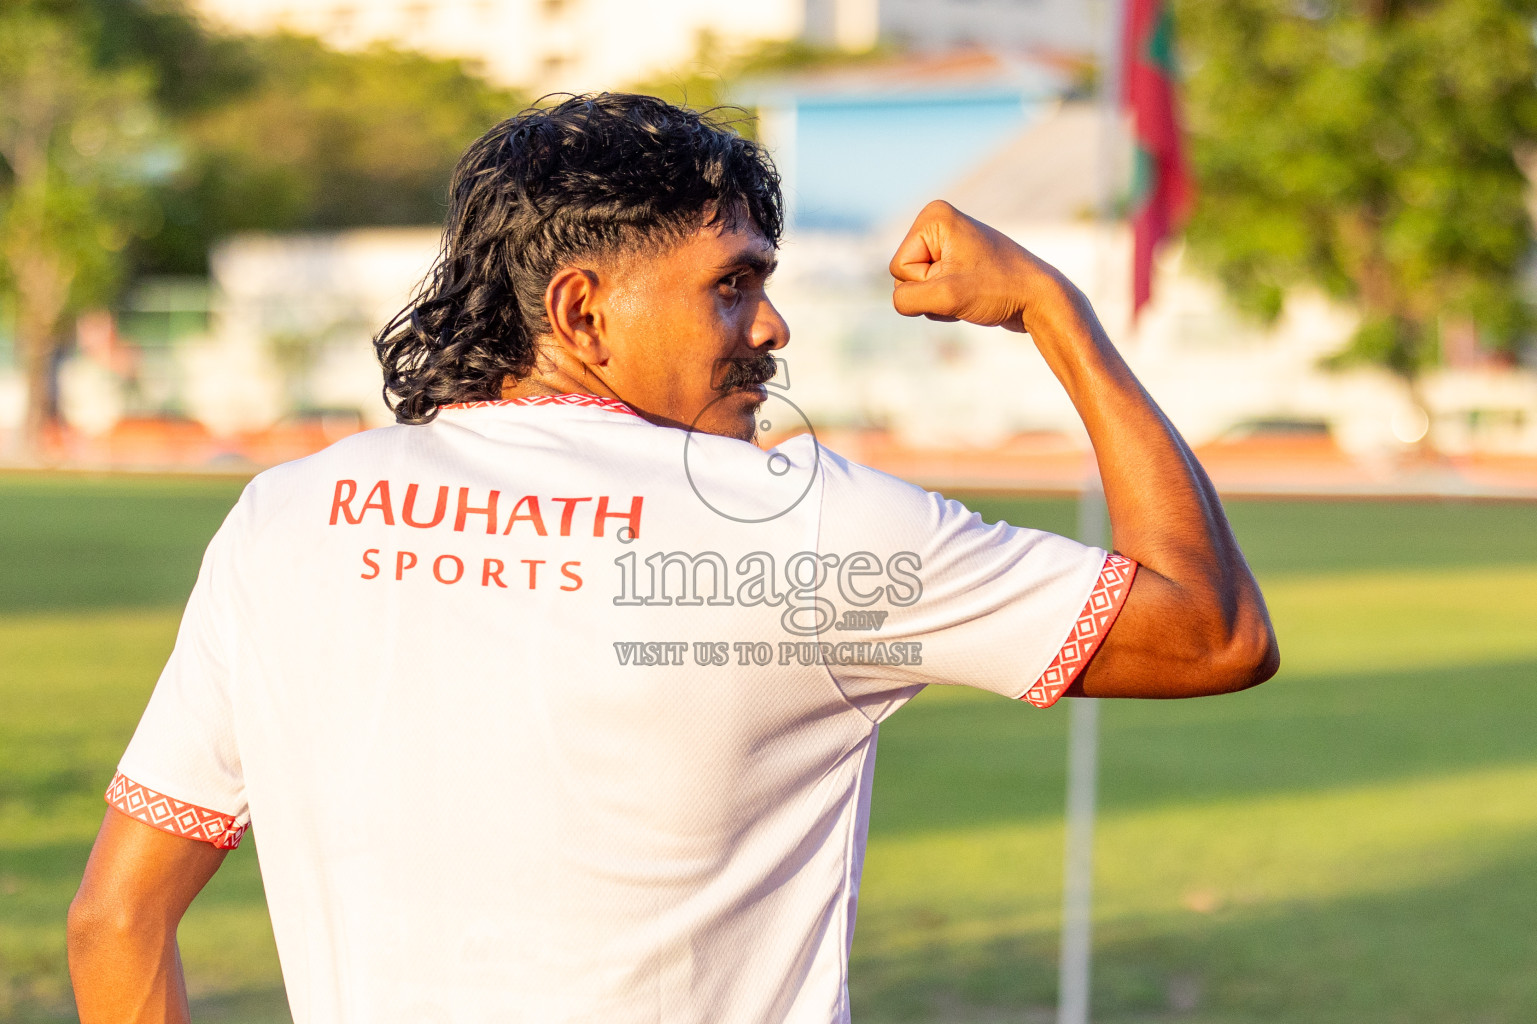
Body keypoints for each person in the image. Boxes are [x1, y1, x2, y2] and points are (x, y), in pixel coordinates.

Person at [67, 93, 1278, 1024]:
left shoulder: (283, 518)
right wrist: (1053, 314)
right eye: (732, 284)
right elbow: (1212, 633)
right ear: (583, 312)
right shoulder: (793, 525)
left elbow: (115, 920)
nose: (771, 323)